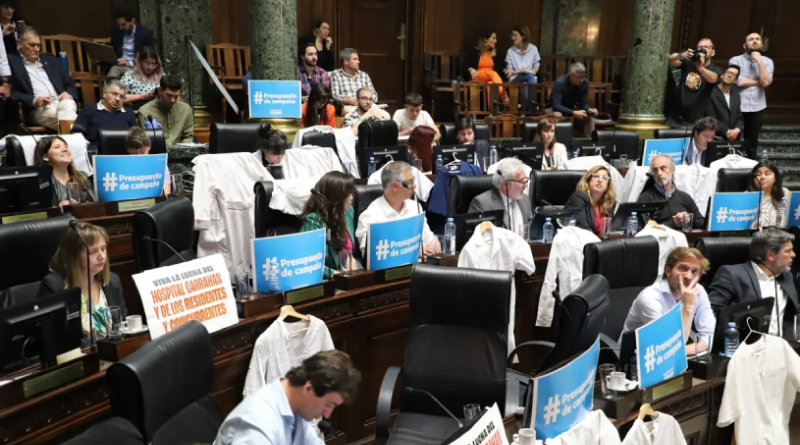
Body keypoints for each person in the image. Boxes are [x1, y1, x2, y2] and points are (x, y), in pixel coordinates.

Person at [214, 350, 360, 445]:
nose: (327, 414)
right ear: (309, 389)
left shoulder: (295, 407)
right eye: (329, 404)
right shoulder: (258, 428)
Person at [38, 222, 127, 338]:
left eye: (103, 249)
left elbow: (123, 326)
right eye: (92, 251)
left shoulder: (112, 281)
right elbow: (52, 339)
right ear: (73, 256)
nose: (102, 256)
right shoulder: (53, 287)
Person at [621, 247, 715, 355]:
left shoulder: (698, 291)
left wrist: (688, 349)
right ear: (668, 271)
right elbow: (665, 349)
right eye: (683, 269)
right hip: (637, 362)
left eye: (694, 271)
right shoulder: (650, 298)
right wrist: (688, 307)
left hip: (676, 358)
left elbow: (710, 335)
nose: (689, 276)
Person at [709, 229, 797, 337]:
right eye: (788, 251)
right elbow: (709, 313)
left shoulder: (786, 276)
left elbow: (791, 314)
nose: (793, 255)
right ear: (771, 255)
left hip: (781, 346)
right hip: (744, 346)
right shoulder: (732, 275)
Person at [355, 161, 440, 256]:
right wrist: (413, 253)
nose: (414, 186)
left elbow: (431, 242)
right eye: (410, 182)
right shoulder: (370, 217)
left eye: (413, 180)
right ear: (395, 186)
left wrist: (434, 247)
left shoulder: (414, 207)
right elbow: (371, 257)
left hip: (421, 267)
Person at [9, 26, 78, 131]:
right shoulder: (11, 63)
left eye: (38, 45)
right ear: (19, 43)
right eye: (32, 45)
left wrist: (69, 94)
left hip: (62, 102)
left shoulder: (51, 60)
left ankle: (69, 141)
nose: (36, 49)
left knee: (68, 105)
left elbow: (69, 85)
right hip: (40, 108)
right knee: (74, 122)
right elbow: (10, 92)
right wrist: (33, 100)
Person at [300, 172, 359, 278]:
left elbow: (349, 252)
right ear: (337, 197)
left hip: (347, 275)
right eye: (348, 194)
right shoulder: (314, 220)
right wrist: (338, 275)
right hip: (328, 280)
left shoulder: (349, 212)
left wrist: (352, 263)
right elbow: (310, 263)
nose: (351, 198)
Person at [729, 33, 773, 155]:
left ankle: (751, 169)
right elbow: (740, 82)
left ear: (761, 44)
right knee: (734, 141)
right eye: (751, 39)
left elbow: (766, 82)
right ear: (744, 45)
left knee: (752, 143)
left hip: (756, 107)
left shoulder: (767, 62)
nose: (754, 41)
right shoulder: (735, 60)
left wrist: (760, 62)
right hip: (737, 107)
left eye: (757, 39)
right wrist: (760, 81)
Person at [638, 154, 704, 229]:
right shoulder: (645, 199)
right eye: (655, 170)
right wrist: (674, 223)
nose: (659, 173)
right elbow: (643, 228)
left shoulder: (684, 197)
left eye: (663, 168)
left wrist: (688, 220)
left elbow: (702, 222)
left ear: (673, 169)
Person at [468, 157, 532, 233]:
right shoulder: (482, 204)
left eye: (526, 180)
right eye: (522, 181)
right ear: (506, 185)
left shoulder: (525, 199)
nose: (526, 186)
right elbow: (479, 239)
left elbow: (530, 231)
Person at [71, 80, 136, 151]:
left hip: (124, 153)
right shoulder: (88, 110)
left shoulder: (129, 113)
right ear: (104, 93)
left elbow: (137, 137)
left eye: (122, 97)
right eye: (114, 94)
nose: (117, 99)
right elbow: (75, 135)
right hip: (95, 151)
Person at [668, 38, 721, 125]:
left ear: (713, 52)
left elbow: (713, 78)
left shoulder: (715, 69)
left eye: (706, 47)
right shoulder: (689, 63)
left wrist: (700, 68)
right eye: (699, 47)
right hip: (676, 117)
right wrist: (682, 55)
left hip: (696, 120)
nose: (702, 50)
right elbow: (670, 60)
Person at [33, 136, 94, 207]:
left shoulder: (82, 177)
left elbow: (95, 204)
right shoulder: (43, 182)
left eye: (66, 147)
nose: (65, 149)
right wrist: (59, 209)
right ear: (46, 156)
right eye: (57, 147)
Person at [137, 75, 195, 146]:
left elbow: (188, 137)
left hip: (180, 152)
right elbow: (146, 141)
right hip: (157, 153)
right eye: (169, 95)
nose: (173, 100)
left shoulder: (185, 109)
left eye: (176, 96)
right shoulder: (145, 111)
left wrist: (182, 149)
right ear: (160, 90)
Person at [546, 62, 597, 137]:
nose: (581, 80)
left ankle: (590, 143)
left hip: (572, 109)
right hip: (555, 109)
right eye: (578, 77)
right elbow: (556, 105)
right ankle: (560, 141)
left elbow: (584, 103)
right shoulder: (560, 82)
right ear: (571, 75)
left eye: (583, 77)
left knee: (589, 117)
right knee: (558, 115)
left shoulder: (585, 83)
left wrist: (589, 110)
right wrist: (573, 113)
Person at [565, 165, 617, 236]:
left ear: (608, 185)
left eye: (604, 178)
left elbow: (612, 228)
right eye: (596, 176)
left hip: (603, 243)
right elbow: (581, 229)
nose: (600, 180)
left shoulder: (609, 202)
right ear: (588, 180)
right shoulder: (578, 198)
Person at [109, 7, 155, 79]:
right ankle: (112, 89)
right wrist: (116, 60)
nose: (121, 27)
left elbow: (150, 55)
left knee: (114, 71)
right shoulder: (116, 31)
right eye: (119, 25)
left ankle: (111, 89)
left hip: (137, 67)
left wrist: (130, 63)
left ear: (132, 21)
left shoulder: (145, 33)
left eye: (123, 24)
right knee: (114, 71)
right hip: (120, 65)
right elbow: (113, 51)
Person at [125, 127, 172, 195]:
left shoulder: (160, 165)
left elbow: (166, 194)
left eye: (142, 152)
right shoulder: (121, 167)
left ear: (149, 147)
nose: (139, 157)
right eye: (134, 153)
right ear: (128, 150)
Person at [330, 48, 378, 114]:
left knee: (384, 116)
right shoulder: (336, 74)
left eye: (358, 59)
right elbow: (335, 96)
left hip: (368, 106)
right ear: (346, 61)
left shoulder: (364, 75)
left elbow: (374, 95)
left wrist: (366, 100)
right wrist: (351, 101)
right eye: (355, 59)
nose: (358, 62)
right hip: (350, 108)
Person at [705, 64, 743, 142]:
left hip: (734, 139)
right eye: (728, 72)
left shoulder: (736, 96)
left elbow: (739, 117)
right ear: (722, 75)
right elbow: (711, 117)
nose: (729, 75)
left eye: (733, 74)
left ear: (735, 80)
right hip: (716, 137)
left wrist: (737, 130)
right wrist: (727, 132)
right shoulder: (710, 93)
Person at [504, 25, 540, 108]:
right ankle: (533, 106)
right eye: (512, 35)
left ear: (523, 36)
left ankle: (525, 111)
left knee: (527, 84)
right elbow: (510, 71)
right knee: (528, 76)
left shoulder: (533, 49)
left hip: (529, 80)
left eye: (515, 35)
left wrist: (529, 70)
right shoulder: (510, 51)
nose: (513, 38)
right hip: (516, 79)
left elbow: (536, 69)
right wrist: (521, 71)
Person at [465, 30, 505, 103]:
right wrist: (471, 69)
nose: (495, 41)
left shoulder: (495, 54)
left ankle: (491, 112)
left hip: (490, 78)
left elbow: (500, 68)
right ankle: (505, 99)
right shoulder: (475, 52)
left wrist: (506, 69)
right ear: (486, 40)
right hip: (477, 77)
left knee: (490, 84)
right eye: (493, 38)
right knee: (493, 74)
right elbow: (466, 65)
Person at [747, 161, 789, 229]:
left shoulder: (784, 193)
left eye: (767, 174)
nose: (762, 177)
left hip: (779, 234)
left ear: (775, 178)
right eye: (758, 174)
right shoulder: (746, 196)